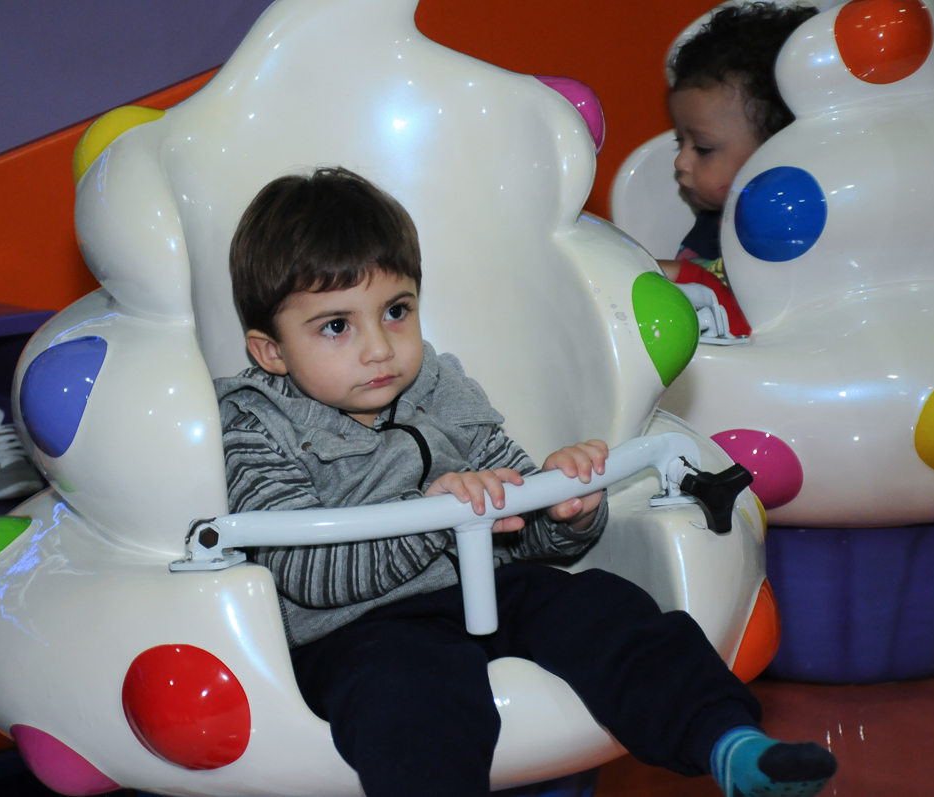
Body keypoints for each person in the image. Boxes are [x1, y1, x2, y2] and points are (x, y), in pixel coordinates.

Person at [215, 167, 836, 797]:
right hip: (355, 633)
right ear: (271, 351)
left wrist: (563, 506)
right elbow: (300, 571)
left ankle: (728, 743)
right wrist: (430, 518)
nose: (379, 347)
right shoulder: (255, 423)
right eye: (336, 326)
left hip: (486, 593)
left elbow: (523, 534)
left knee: (601, 605)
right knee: (409, 694)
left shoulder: (442, 389)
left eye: (396, 311)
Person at [658, 2, 819, 337]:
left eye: (702, 148)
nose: (680, 162)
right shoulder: (711, 219)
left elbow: (765, 330)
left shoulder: (793, 237)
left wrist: (688, 279)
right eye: (679, 142)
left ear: (776, 149)